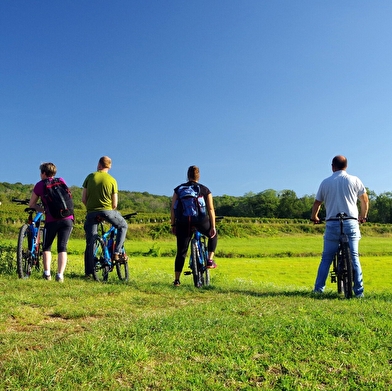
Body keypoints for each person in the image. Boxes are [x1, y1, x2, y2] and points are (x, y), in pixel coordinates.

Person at [311, 155, 369, 297]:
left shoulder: (325, 182)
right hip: (351, 222)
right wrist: (363, 216)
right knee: (354, 257)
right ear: (346, 166)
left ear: (333, 166)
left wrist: (314, 217)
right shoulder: (355, 180)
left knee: (327, 258)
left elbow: (317, 203)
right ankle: (359, 293)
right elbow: (365, 200)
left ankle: (318, 290)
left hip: (332, 223)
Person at [170, 165, 218, 286]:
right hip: (200, 221)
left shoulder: (178, 189)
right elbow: (211, 209)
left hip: (183, 222)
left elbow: (172, 209)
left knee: (181, 251)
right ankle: (210, 260)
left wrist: (173, 224)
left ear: (188, 175)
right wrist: (212, 226)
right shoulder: (205, 190)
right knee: (213, 235)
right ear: (198, 176)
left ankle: (177, 280)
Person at [82, 156, 128, 278]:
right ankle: (117, 252)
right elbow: (114, 204)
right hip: (107, 211)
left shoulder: (90, 177)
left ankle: (88, 273)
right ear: (109, 166)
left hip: (91, 212)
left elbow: (83, 199)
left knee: (90, 242)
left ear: (99, 164)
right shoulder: (112, 180)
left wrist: (92, 208)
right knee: (123, 226)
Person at [28, 162, 74, 282]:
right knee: (62, 247)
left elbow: (31, 204)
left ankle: (47, 274)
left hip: (52, 219)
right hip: (68, 218)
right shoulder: (61, 180)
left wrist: (42, 210)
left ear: (43, 173)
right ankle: (60, 275)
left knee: (47, 247)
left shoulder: (39, 185)